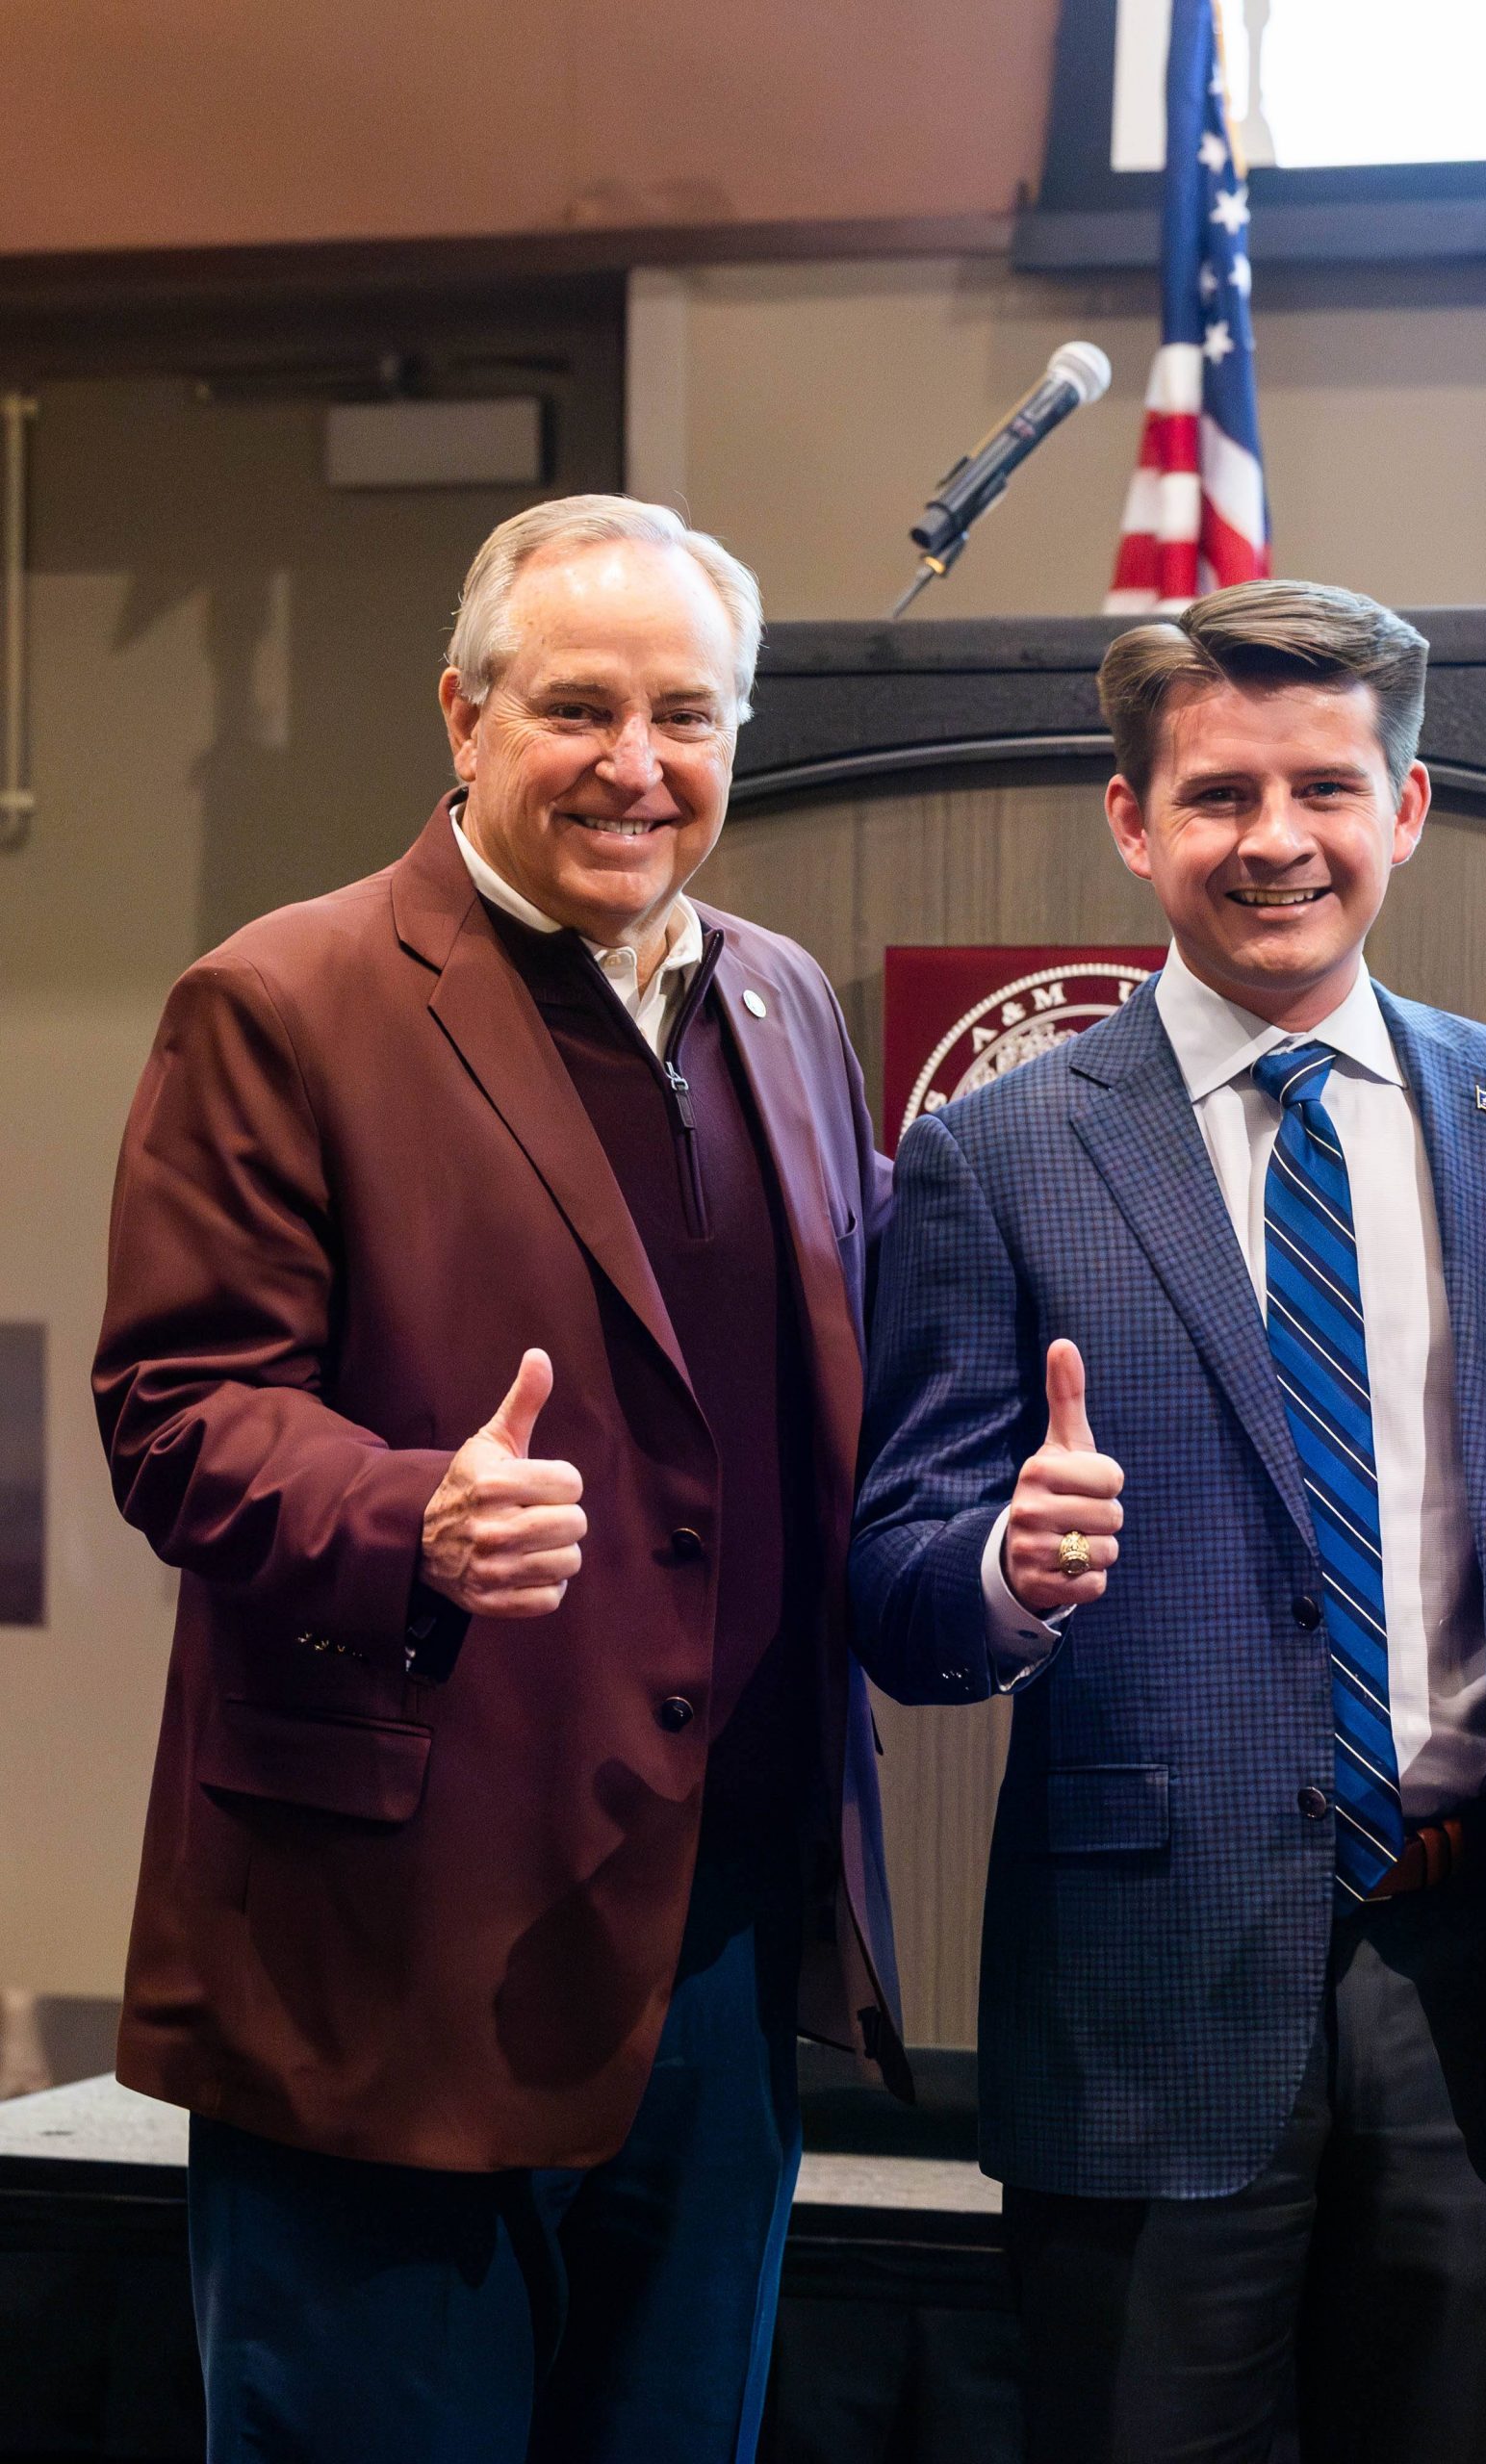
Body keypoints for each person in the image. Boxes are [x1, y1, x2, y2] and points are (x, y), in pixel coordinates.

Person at [850, 579, 1486, 2464]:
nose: (1275, 839)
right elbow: (893, 1586)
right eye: (1220, 793)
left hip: (1483, 1966)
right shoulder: (997, 1152)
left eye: (1325, 786)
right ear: (1132, 819)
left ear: (1403, 809)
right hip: (1141, 1994)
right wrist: (1004, 1566)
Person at [93, 495, 901, 2464]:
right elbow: (178, 1403)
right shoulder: (283, 1001)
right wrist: (406, 1515)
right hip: (389, 1936)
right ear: (461, 716)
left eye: (687, 715)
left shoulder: (786, 1004)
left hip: (710, 1930)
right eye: (576, 709)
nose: (637, 765)